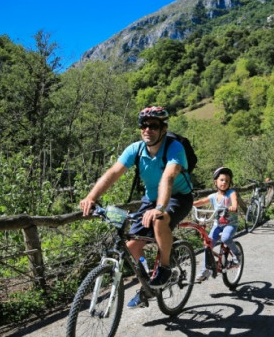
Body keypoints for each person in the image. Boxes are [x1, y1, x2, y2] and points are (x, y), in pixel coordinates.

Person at [79, 106, 194, 308]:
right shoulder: (136, 149)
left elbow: (167, 178)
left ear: (163, 128)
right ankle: (147, 284)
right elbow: (113, 173)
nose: (147, 129)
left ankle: (165, 268)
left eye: (153, 126)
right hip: (150, 200)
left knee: (160, 220)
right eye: (143, 125)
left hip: (178, 197)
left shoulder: (174, 148)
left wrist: (159, 208)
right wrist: (91, 197)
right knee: (132, 244)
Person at [193, 166, 242, 282]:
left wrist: (233, 207)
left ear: (230, 183)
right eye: (222, 180)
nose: (224, 182)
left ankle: (237, 254)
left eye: (227, 180)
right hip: (217, 225)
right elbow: (201, 202)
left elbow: (234, 201)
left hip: (230, 224)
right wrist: (190, 204)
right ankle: (206, 269)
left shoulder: (231, 193)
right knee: (207, 244)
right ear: (216, 182)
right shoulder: (213, 197)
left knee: (225, 238)